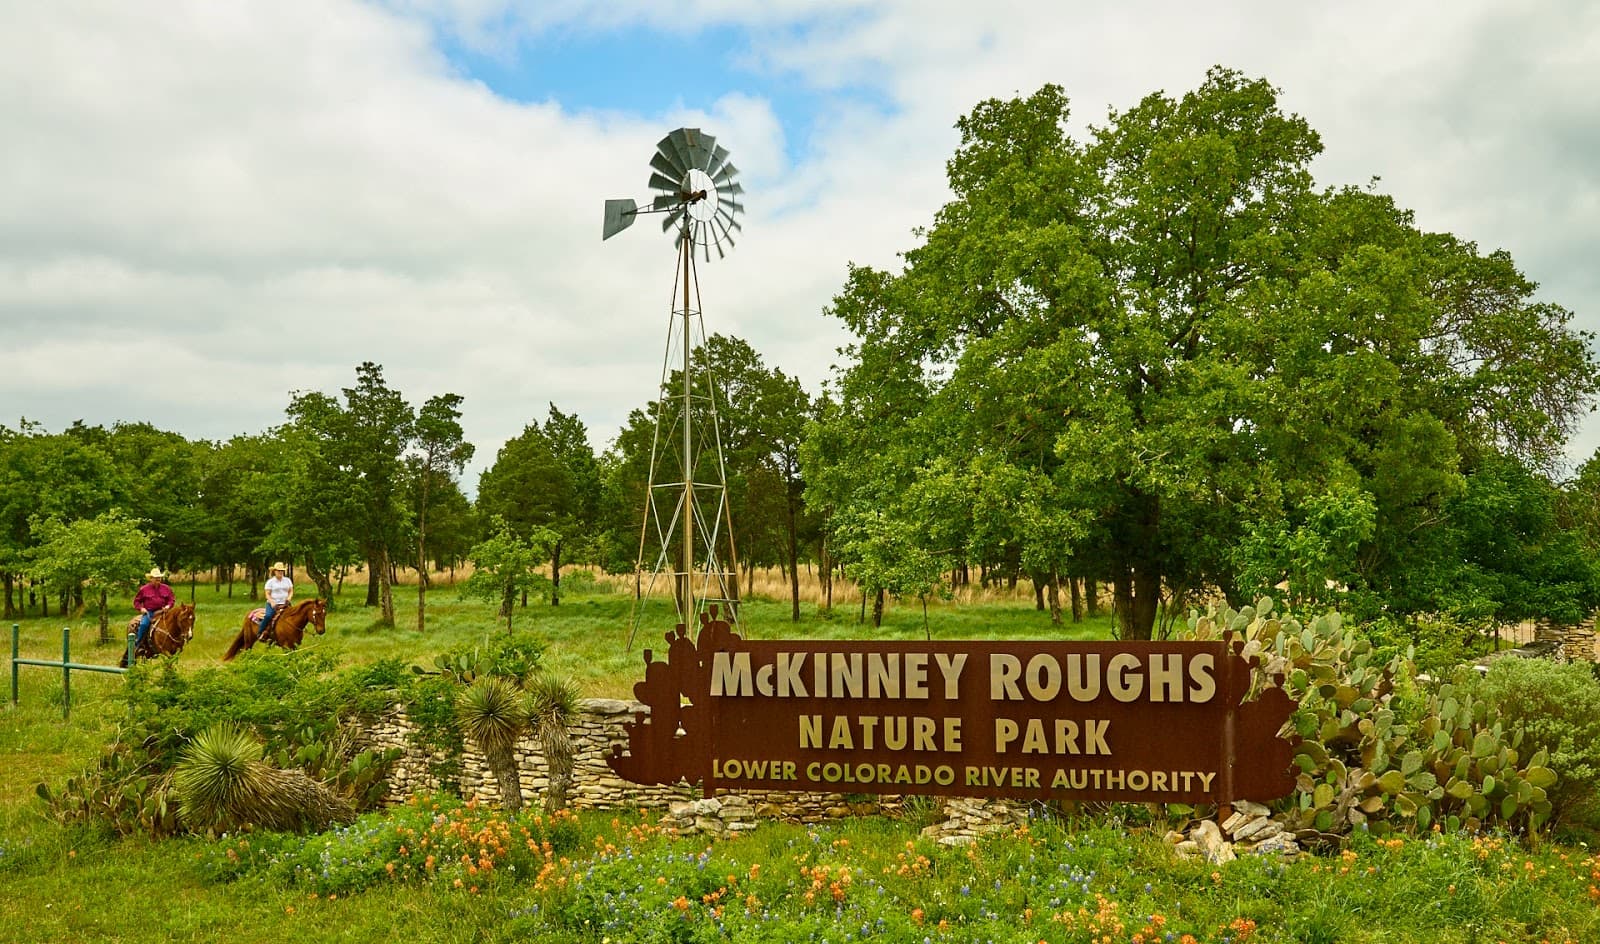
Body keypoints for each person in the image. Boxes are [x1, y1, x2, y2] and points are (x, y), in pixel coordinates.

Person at [132, 568, 174, 651]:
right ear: (151, 579)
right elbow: (136, 601)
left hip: (163, 611)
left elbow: (171, 599)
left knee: (174, 623)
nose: (158, 579)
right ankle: (138, 645)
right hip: (150, 612)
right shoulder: (144, 589)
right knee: (144, 624)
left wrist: (168, 606)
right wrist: (141, 608)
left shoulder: (166, 588)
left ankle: (175, 643)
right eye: (156, 578)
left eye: (159, 577)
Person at [262, 562, 294, 642]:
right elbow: (267, 594)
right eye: (278, 570)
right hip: (273, 604)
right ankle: (261, 632)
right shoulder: (270, 582)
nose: (280, 572)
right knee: (268, 616)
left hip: (285, 603)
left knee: (294, 616)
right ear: (274, 571)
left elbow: (291, 591)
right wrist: (272, 602)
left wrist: (288, 599)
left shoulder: (287, 580)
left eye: (281, 571)